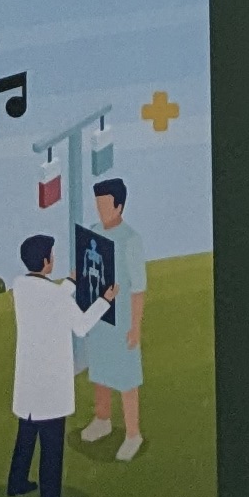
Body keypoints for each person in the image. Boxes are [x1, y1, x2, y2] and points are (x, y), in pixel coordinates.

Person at [3, 230, 109, 497]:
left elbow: (48, 297)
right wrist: (106, 300)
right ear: (47, 260)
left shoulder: (20, 286)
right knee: (51, 445)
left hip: (27, 381)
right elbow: (82, 326)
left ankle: (16, 483)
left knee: (26, 436)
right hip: (50, 384)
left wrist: (70, 283)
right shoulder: (55, 297)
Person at [74, 176, 150, 458]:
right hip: (99, 317)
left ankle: (133, 433)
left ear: (119, 206)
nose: (101, 211)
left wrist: (135, 327)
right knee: (101, 371)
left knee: (127, 377)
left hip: (122, 322)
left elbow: (139, 288)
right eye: (97, 205)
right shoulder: (94, 233)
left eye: (105, 205)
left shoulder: (131, 240)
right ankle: (102, 420)